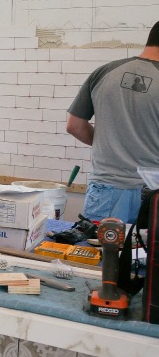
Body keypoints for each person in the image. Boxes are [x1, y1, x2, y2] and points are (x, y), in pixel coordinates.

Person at [67, 20, 159, 223]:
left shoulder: (104, 72)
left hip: (106, 190)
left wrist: (110, 144)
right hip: (153, 194)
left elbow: (74, 125)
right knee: (147, 254)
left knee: (99, 251)